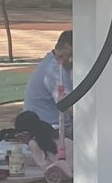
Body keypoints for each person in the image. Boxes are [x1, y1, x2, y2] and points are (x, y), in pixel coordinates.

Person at [13, 29, 73, 157]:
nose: (72, 60)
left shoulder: (54, 63)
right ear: (62, 54)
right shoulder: (54, 71)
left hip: (50, 124)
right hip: (49, 128)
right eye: (70, 56)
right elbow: (69, 105)